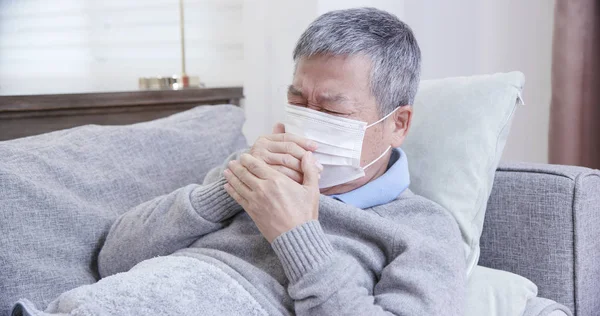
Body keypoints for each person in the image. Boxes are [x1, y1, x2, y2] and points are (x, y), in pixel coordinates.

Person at [98, 7, 466, 315]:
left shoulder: (424, 230)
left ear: (397, 124)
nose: (308, 119)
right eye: (298, 101)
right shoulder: (249, 170)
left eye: (332, 110)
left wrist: (296, 236)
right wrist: (228, 191)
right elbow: (113, 259)